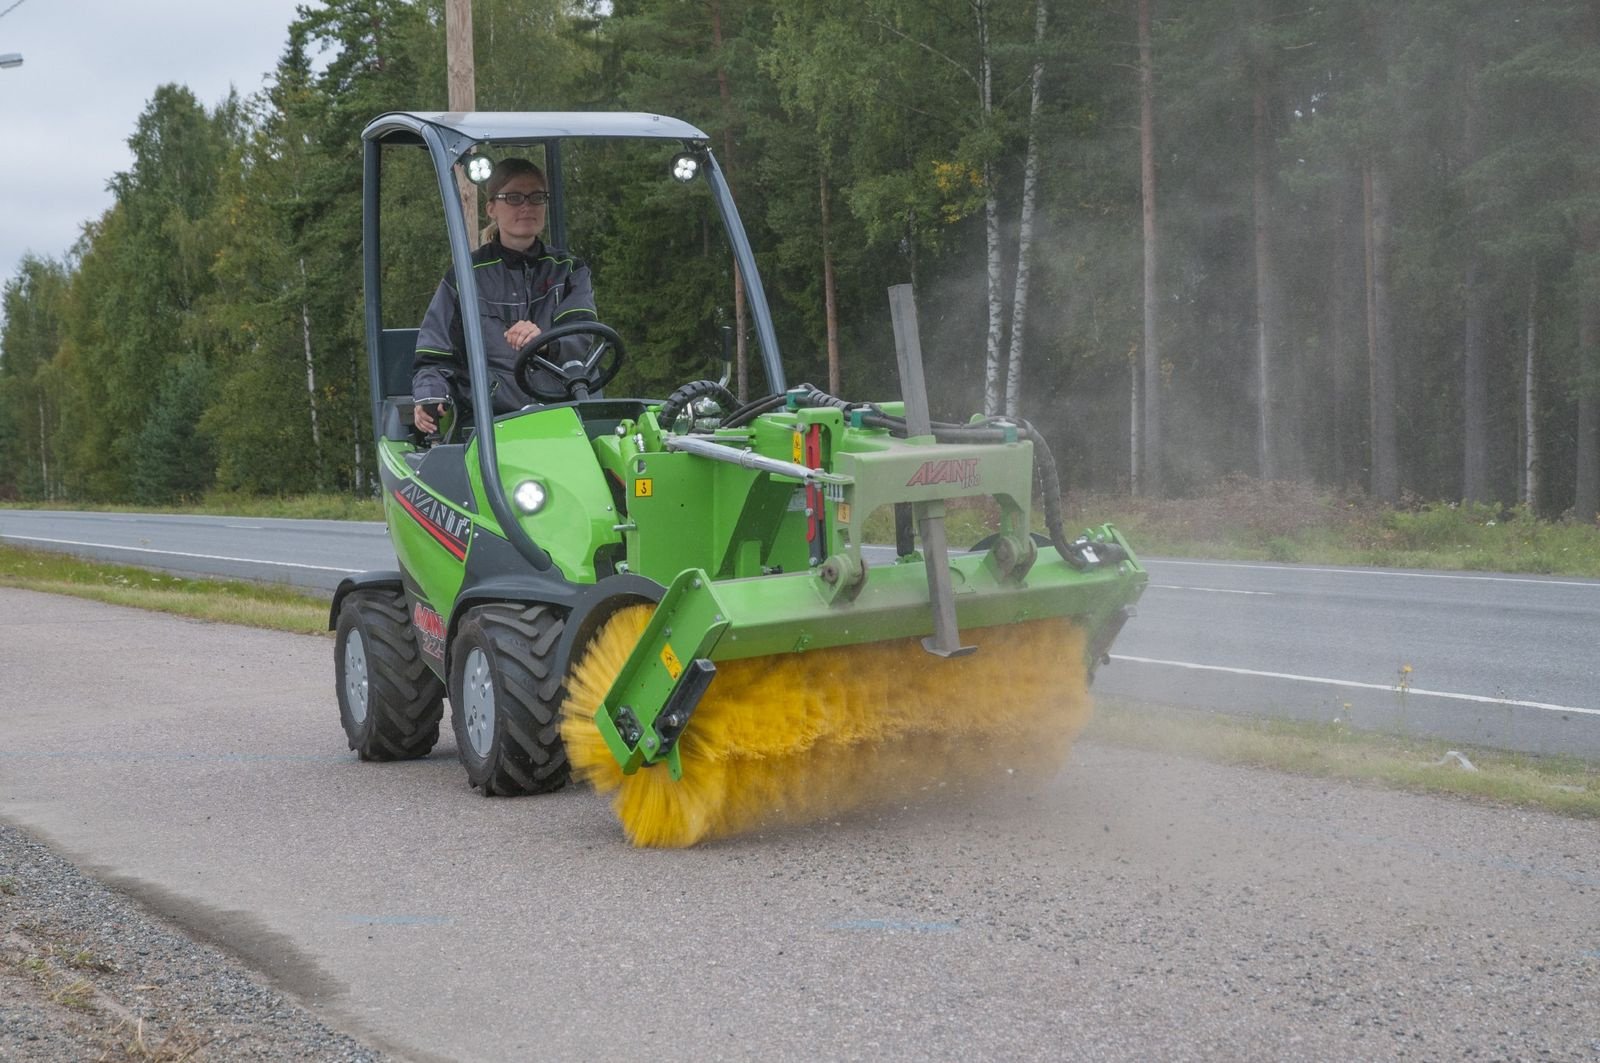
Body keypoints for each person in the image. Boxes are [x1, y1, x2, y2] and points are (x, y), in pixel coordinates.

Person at [412, 157, 597, 435]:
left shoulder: (569, 270)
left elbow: (581, 335)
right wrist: (430, 394)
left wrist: (544, 343)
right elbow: (435, 355)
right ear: (491, 209)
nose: (526, 206)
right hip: (490, 422)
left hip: (564, 414)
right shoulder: (465, 275)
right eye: (513, 198)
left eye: (536, 197)